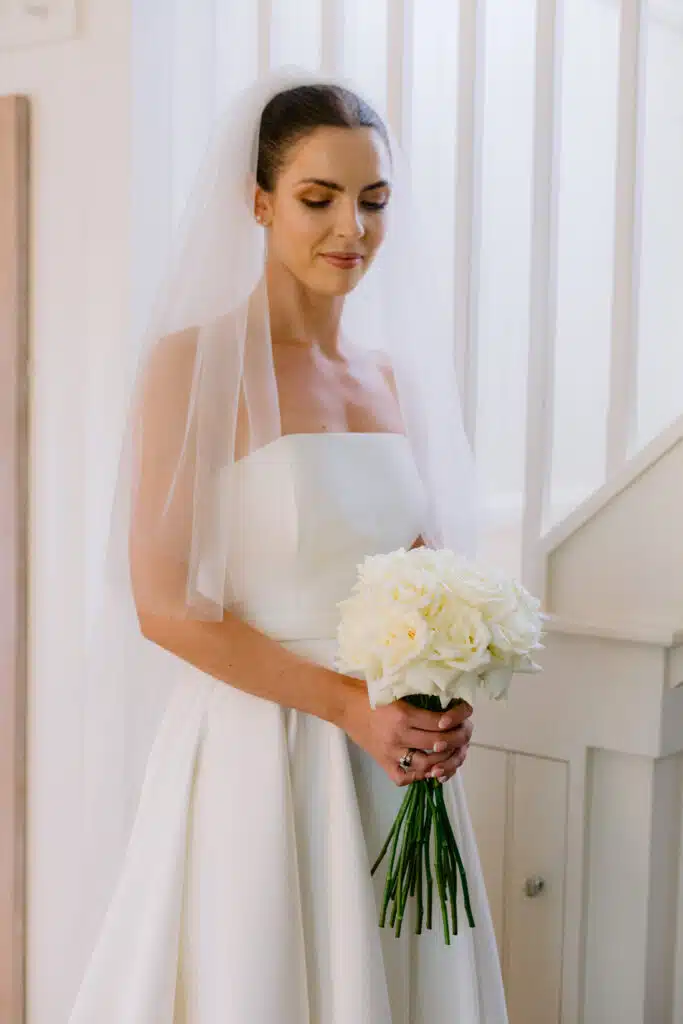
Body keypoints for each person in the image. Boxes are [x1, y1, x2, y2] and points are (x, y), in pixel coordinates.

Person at [69, 69, 508, 1023]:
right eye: (319, 198)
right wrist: (347, 707)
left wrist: (441, 698)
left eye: (373, 200)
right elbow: (164, 608)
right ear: (260, 202)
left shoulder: (392, 380)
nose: (352, 227)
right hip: (258, 753)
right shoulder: (192, 366)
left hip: (388, 760)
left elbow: (429, 578)